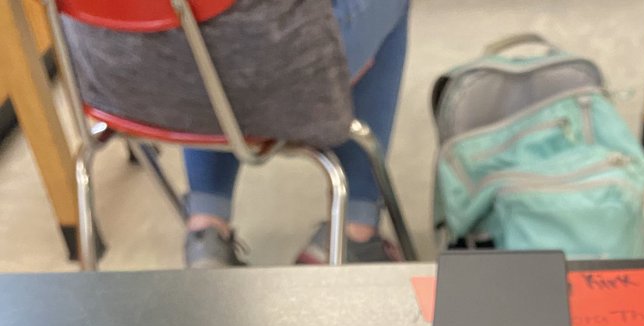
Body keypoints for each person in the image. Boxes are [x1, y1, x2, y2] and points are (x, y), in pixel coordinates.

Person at [61, 0, 409, 268]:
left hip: (117, 78)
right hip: (269, 72)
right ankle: (354, 231)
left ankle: (206, 227)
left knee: (192, 25)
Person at [185, 0, 409, 267]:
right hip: (291, 70)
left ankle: (207, 230)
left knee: (197, 22)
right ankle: (352, 230)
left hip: (145, 83)